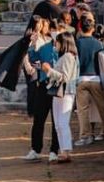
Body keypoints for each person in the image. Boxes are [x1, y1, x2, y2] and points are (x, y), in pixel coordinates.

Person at [22, 17, 60, 161]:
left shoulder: (64, 46)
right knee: (39, 118)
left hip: (57, 85)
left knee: (56, 119)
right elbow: (32, 57)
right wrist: (32, 43)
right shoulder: (45, 46)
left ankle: (54, 150)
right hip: (44, 84)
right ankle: (35, 149)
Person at [74, 11, 104, 144]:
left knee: (82, 110)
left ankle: (86, 136)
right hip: (96, 79)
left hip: (81, 79)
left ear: (80, 27)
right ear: (92, 28)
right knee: (103, 108)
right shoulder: (98, 44)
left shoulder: (77, 43)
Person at [43, 30, 79, 162]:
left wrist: (49, 70)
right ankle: (63, 150)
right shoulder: (64, 57)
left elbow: (65, 77)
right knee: (58, 123)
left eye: (57, 42)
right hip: (59, 93)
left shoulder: (68, 57)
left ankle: (66, 150)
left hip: (66, 92)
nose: (55, 44)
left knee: (62, 122)